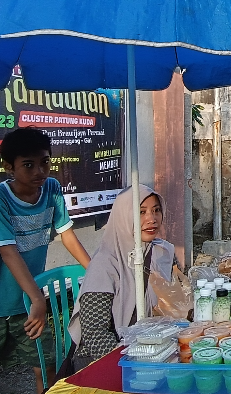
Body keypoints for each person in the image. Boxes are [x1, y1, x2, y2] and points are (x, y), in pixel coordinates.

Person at [0, 127, 91, 393]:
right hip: (16, 299)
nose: (40, 171)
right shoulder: (2, 198)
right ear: (9, 167)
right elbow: (8, 251)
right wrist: (39, 299)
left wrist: (96, 271)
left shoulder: (51, 188)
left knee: (48, 366)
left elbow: (67, 235)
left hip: (26, 304)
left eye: (45, 162)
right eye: (28, 165)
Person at [67, 185, 174, 370]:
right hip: (104, 360)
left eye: (156, 210)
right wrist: (132, 364)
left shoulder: (163, 252)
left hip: (153, 349)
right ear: (124, 216)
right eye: (141, 212)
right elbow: (95, 335)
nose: (152, 219)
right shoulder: (104, 264)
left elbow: (176, 301)